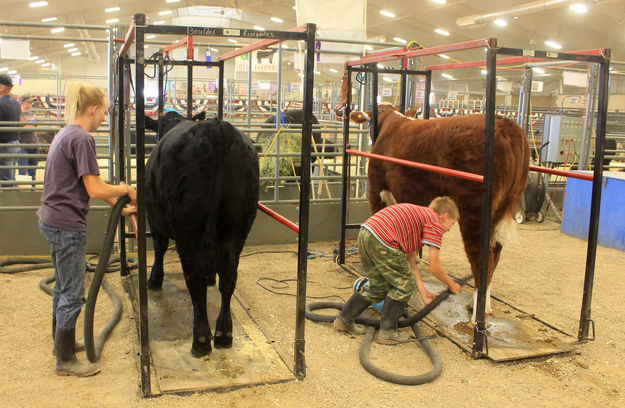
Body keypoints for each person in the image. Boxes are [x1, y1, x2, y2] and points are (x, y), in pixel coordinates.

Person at [37, 82, 137, 377]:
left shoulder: (65, 133)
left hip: (51, 219)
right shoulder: (82, 139)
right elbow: (93, 187)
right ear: (93, 109)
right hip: (66, 225)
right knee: (72, 291)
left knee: (63, 287)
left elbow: (86, 184)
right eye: (104, 112)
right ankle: (65, 360)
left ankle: (61, 344)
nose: (105, 118)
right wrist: (127, 190)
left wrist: (117, 202)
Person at [334, 197, 462, 345]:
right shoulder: (434, 222)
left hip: (366, 233)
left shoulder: (418, 220)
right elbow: (434, 266)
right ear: (444, 216)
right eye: (451, 223)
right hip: (383, 239)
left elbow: (411, 261)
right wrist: (452, 285)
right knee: (404, 285)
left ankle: (344, 319)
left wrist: (423, 291)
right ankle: (388, 332)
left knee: (378, 285)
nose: (449, 229)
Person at [0, 74, 21, 187]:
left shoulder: (1, 103)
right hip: (15, 144)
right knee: (11, 177)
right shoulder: (16, 103)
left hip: (5, 146)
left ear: (1, 88)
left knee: (6, 180)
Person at [17, 94, 39, 183]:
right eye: (29, 101)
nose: (31, 103)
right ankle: (22, 192)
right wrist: (28, 126)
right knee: (22, 171)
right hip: (23, 145)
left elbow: (35, 127)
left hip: (34, 144)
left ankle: (32, 189)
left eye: (31, 102)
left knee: (33, 171)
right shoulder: (17, 114)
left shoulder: (32, 114)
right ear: (22, 103)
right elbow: (17, 130)